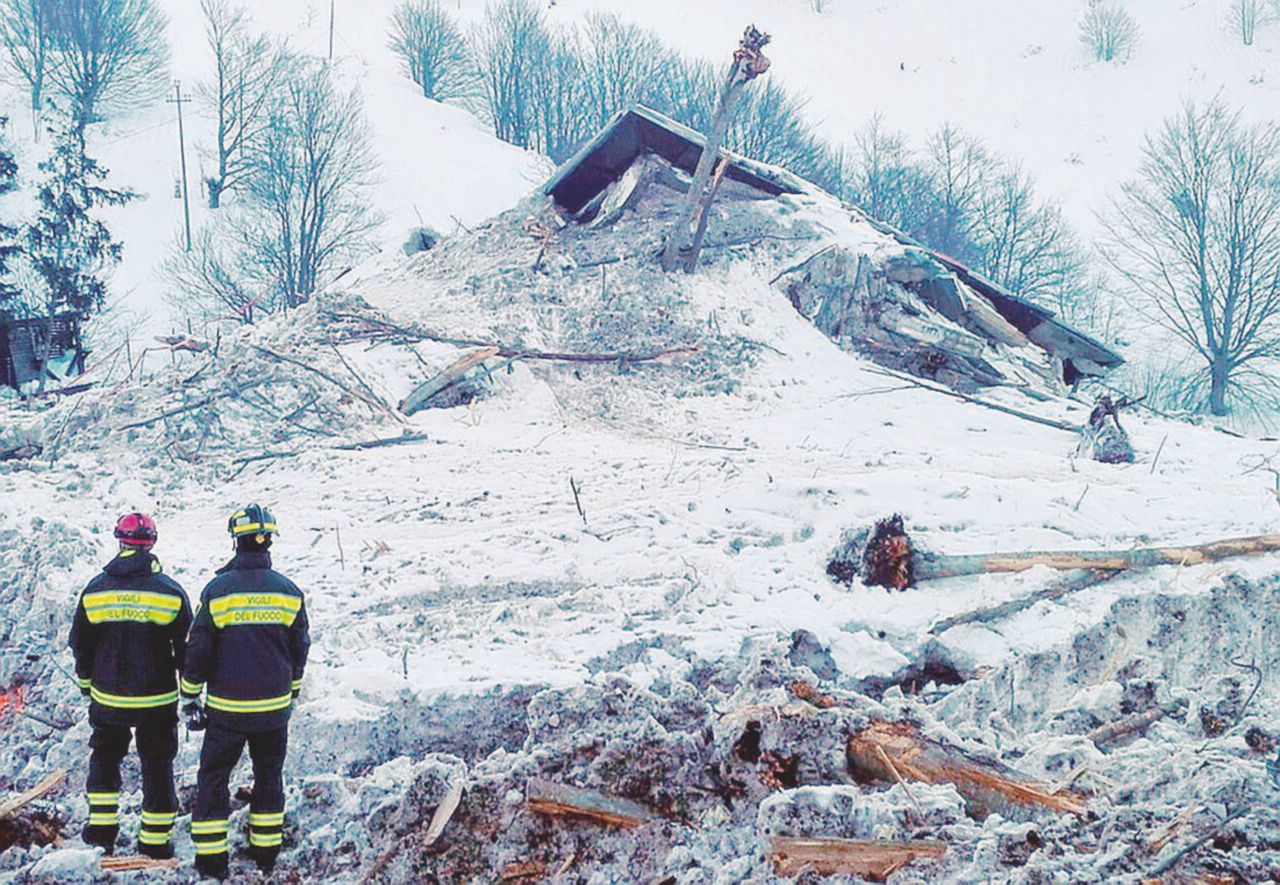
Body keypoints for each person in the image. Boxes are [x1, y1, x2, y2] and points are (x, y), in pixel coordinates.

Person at [181, 504, 309, 878]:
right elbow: (300, 647)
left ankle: (211, 859)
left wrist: (190, 694)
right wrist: (293, 690)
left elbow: (199, 648)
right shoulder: (289, 592)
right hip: (273, 710)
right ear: (269, 540)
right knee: (269, 776)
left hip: (227, 711)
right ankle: (266, 852)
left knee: (214, 777)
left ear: (235, 540)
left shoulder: (219, 591)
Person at [68, 512, 192, 858]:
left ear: (119, 541)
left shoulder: (95, 590)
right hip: (157, 700)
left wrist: (86, 683)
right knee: (157, 765)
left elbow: (80, 642)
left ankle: (100, 834)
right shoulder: (169, 593)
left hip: (107, 698)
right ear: (151, 543)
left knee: (105, 759)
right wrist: (191, 690)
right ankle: (155, 842)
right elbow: (187, 648)